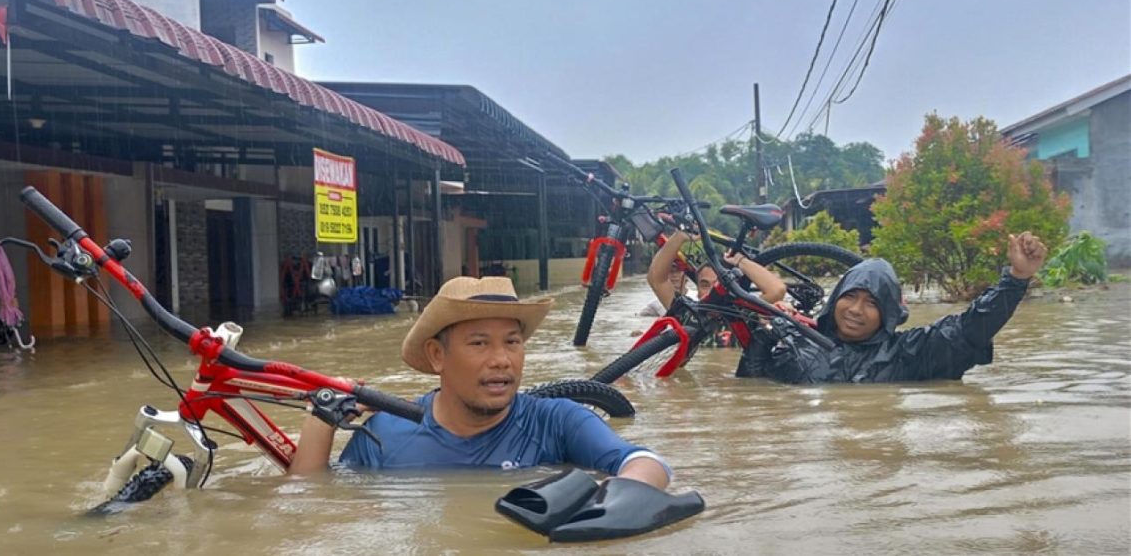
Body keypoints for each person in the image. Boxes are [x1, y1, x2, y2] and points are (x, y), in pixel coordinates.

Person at [288, 276, 672, 490]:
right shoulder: (386, 433)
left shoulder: (557, 421)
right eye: (479, 343)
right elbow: (314, 503)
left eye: (512, 342)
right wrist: (320, 419)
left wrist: (603, 507)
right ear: (437, 355)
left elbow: (645, 463)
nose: (502, 359)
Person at [738, 231, 1048, 383]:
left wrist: (1016, 279)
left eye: (871, 303)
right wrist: (758, 343)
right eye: (850, 297)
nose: (856, 310)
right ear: (835, 299)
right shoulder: (794, 344)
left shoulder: (910, 354)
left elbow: (970, 330)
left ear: (888, 312)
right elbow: (751, 400)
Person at [645, 229, 788, 347]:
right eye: (705, 284)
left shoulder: (744, 315)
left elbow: (777, 290)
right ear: (698, 289)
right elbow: (656, 279)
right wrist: (680, 236)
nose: (712, 291)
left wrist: (740, 261)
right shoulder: (690, 317)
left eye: (718, 284)